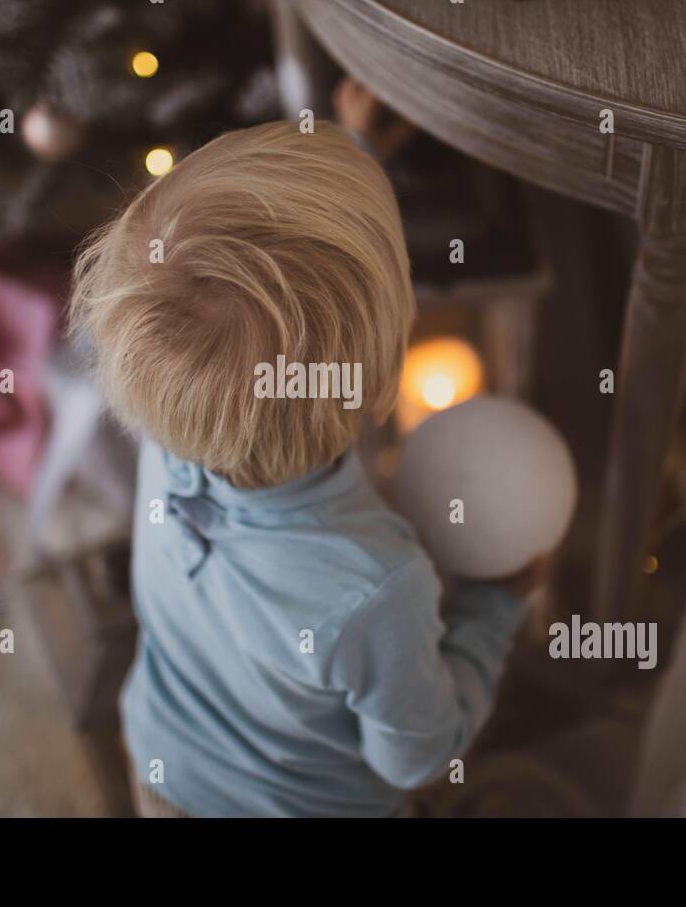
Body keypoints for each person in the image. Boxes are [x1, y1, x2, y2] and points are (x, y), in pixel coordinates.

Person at [69, 86, 542, 816]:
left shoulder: (171, 432)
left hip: (165, 767)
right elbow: (416, 756)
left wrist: (354, 151)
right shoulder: (377, 586)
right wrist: (492, 610)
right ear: (385, 388)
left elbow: (259, 293)